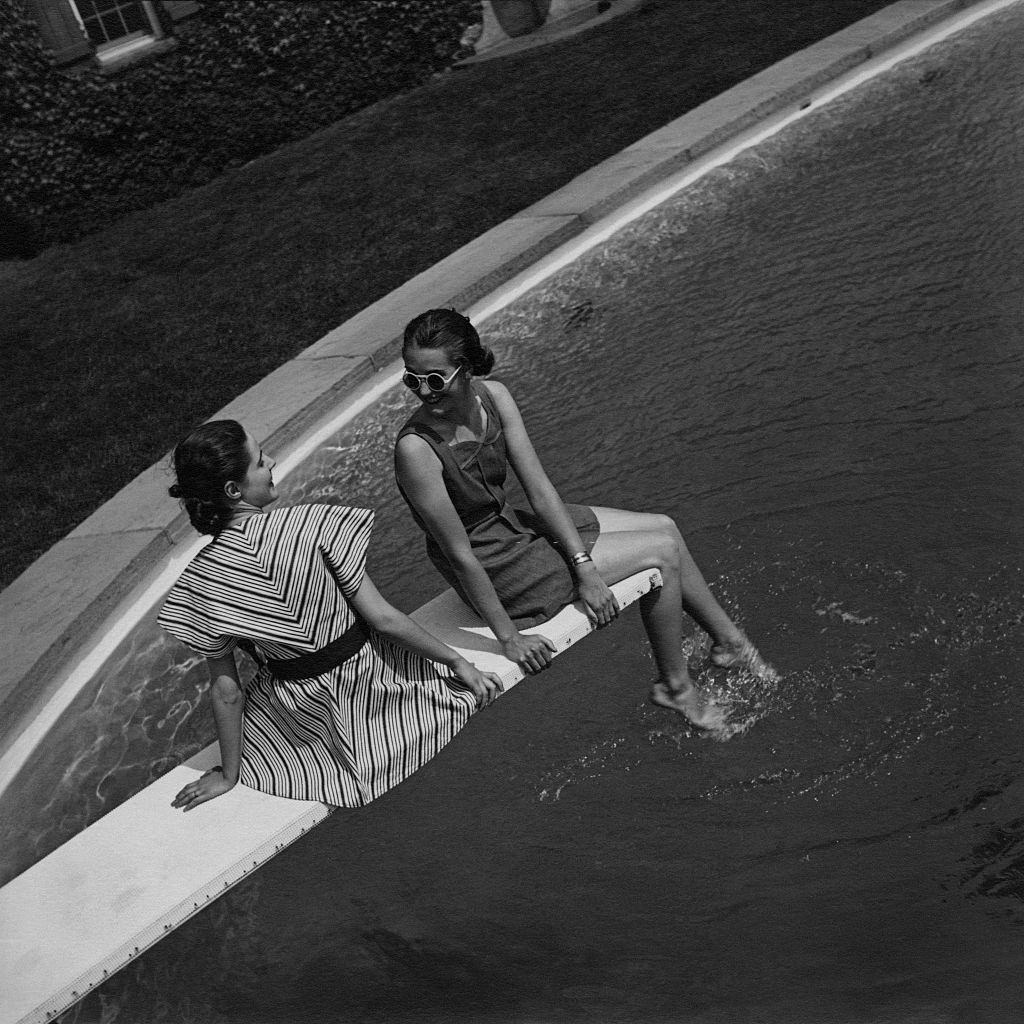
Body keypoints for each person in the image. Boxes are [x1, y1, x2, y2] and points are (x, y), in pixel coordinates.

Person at [393, 309, 777, 731]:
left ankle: (729, 641)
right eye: (412, 379)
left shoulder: (494, 398)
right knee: (661, 553)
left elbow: (540, 491)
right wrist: (510, 638)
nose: (423, 392)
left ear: (465, 370)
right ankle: (676, 687)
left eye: (434, 379)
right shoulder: (418, 450)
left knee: (665, 526)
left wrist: (583, 565)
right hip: (494, 565)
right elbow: (459, 553)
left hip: (514, 528)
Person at [158, 419, 504, 812]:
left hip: (302, 715)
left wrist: (229, 774)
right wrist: (458, 661)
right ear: (233, 490)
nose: (271, 462)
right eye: (259, 461)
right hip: (378, 684)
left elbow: (227, 691)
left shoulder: (199, 583)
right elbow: (384, 620)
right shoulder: (314, 524)